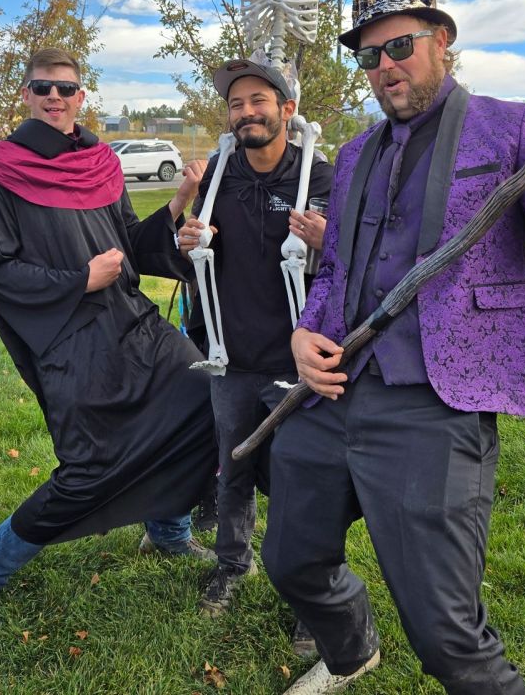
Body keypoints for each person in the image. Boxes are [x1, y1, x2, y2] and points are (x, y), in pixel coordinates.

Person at [260, 0, 525, 694]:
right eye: (368, 56)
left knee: (447, 637)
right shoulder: (356, 153)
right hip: (332, 390)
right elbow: (335, 269)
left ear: (442, 43)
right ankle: (351, 649)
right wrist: (305, 334)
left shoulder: (512, 125)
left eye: (398, 45)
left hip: (438, 403)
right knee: (291, 561)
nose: (384, 67)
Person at [0, 47, 218, 636]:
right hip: (69, 338)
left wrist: (175, 206)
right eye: (43, 87)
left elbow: (129, 244)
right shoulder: (0, 171)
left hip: (133, 322)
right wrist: (78, 281)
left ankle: (167, 533)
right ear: (26, 94)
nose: (55, 98)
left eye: (65, 88)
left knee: (202, 403)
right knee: (91, 467)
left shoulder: (100, 163)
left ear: (81, 96)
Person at [176, 60, 333, 641]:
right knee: (233, 471)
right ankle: (230, 565)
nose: (247, 112)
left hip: (299, 362)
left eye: (259, 100)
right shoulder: (220, 175)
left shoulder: (319, 177)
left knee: (303, 482)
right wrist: (185, 236)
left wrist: (328, 239)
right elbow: (190, 252)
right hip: (233, 358)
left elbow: (358, 262)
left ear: (287, 110)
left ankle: (309, 592)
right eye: (237, 104)